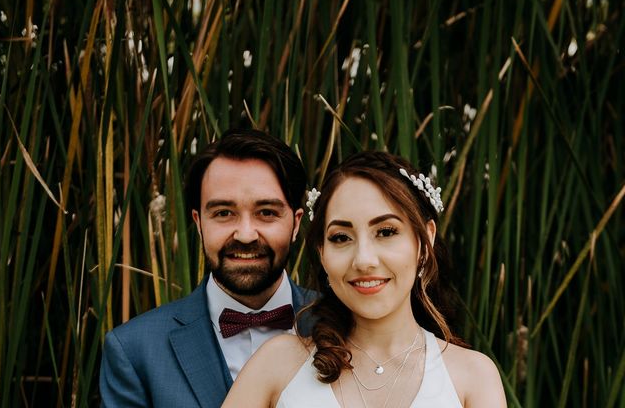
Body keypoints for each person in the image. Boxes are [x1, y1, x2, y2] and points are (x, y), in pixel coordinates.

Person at [223, 151, 506, 407]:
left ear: (425, 240)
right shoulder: (277, 364)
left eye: (385, 232)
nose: (364, 260)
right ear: (322, 253)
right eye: (341, 237)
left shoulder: (472, 377)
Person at [100, 128, 315, 407]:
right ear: (199, 223)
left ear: (296, 223)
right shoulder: (134, 350)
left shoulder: (348, 326)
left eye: (266, 213)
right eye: (224, 213)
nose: (246, 234)